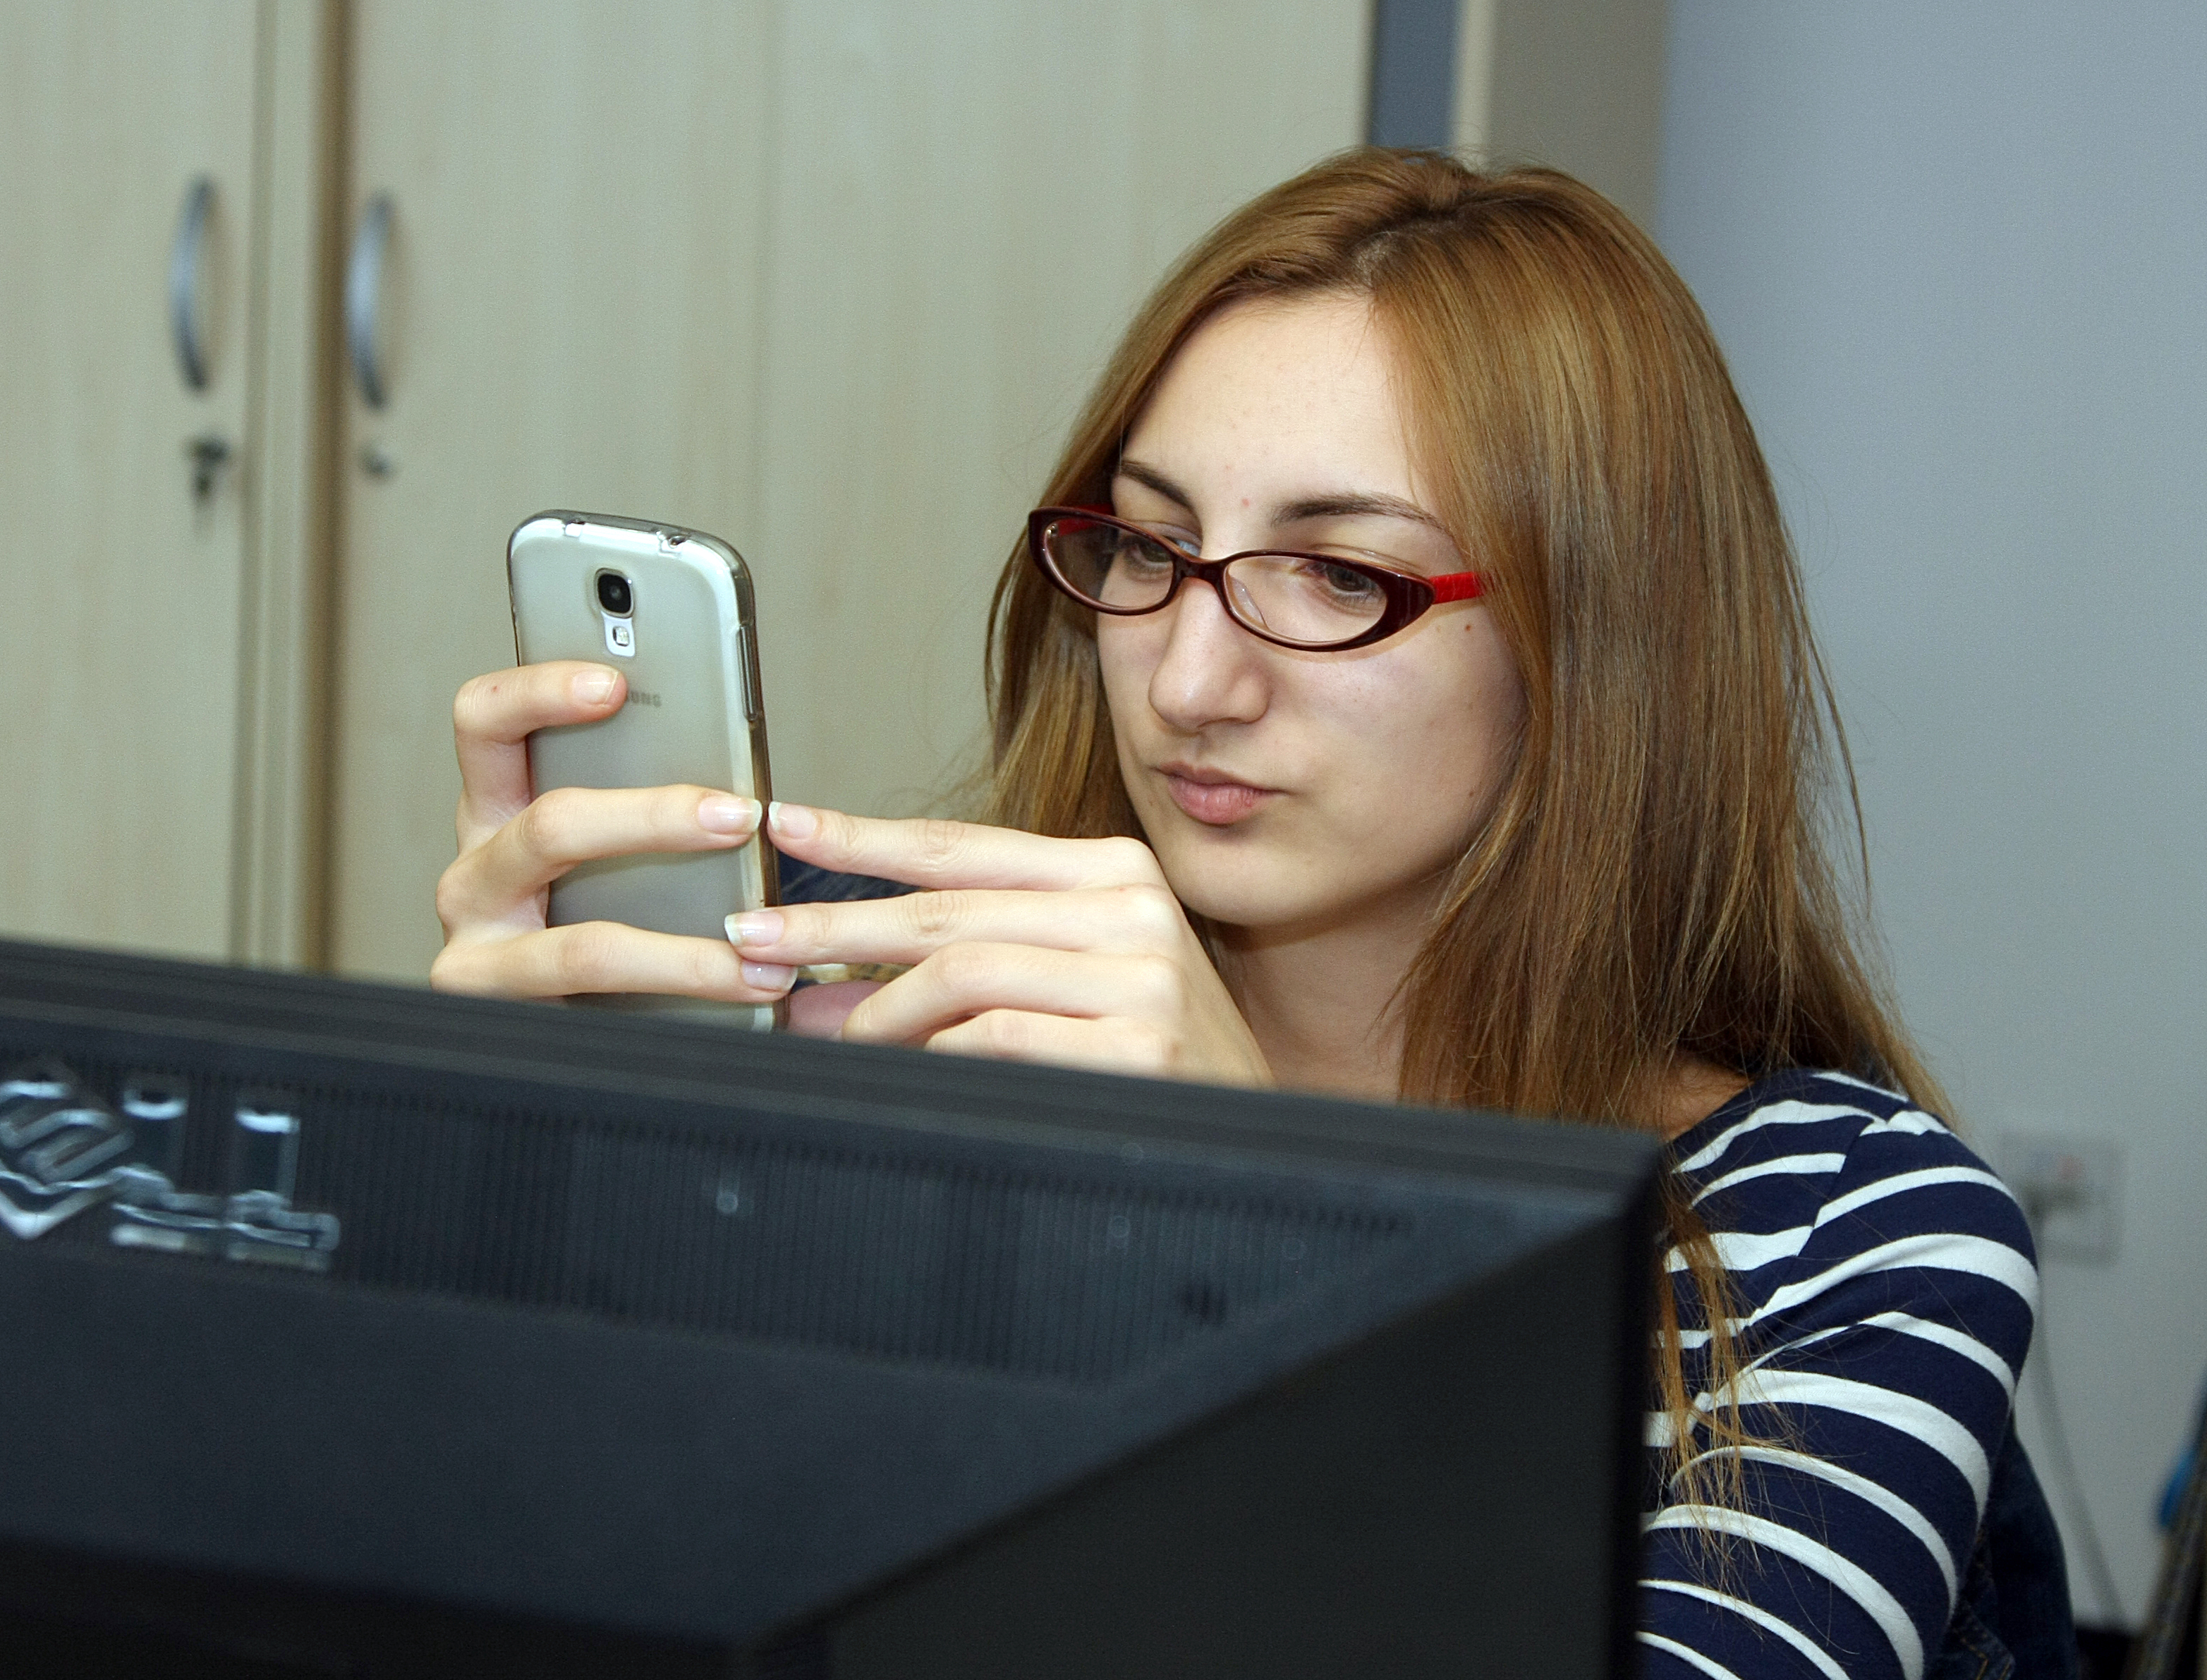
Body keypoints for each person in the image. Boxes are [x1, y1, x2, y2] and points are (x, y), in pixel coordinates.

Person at [431, 150, 2076, 1679]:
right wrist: (485, 1192)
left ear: (1595, 645)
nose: (1188, 683)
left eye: (1339, 576)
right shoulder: (871, 1010)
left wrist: (1265, 1214)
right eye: (1149, 544)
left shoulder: (1849, 1235)